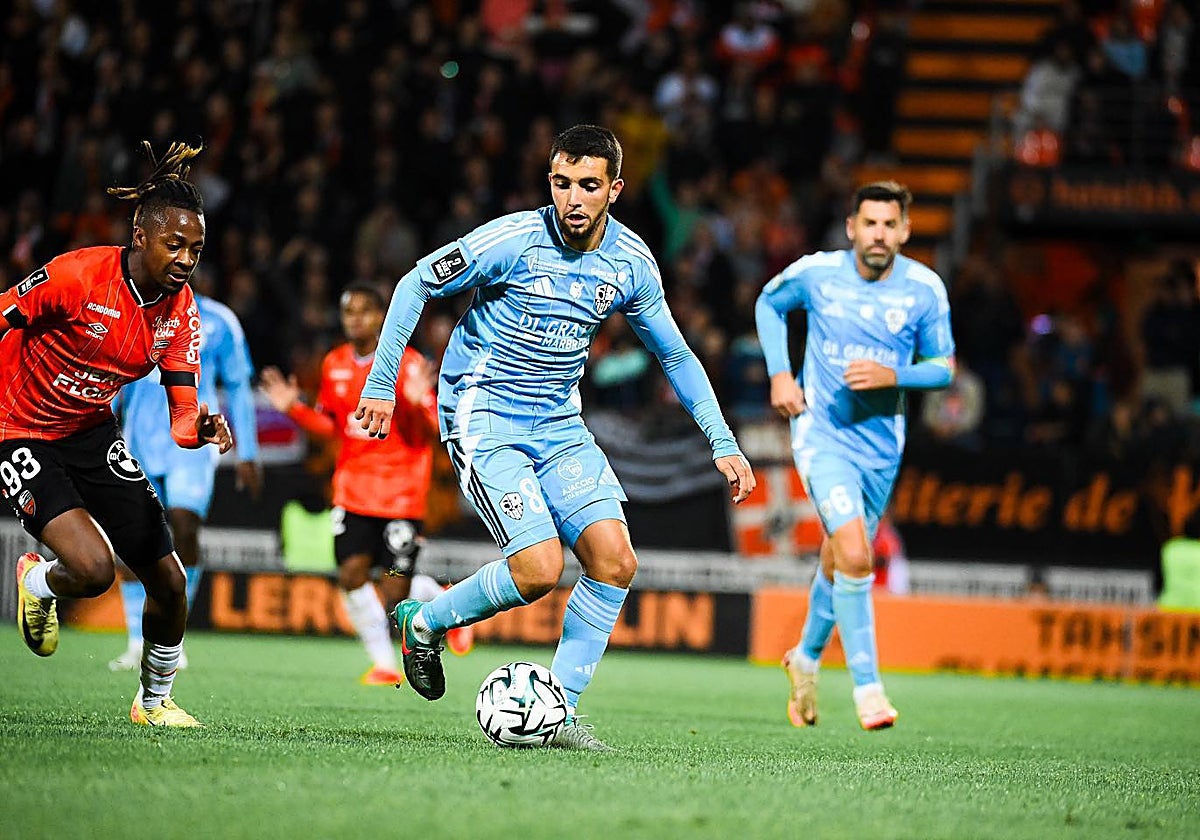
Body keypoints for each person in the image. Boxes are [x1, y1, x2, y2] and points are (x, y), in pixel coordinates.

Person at [356, 124, 755, 751]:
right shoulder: (511, 241)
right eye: (562, 183)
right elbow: (415, 284)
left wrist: (722, 441)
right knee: (539, 569)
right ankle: (424, 621)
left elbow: (675, 355)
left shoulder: (630, 262)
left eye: (588, 186)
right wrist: (381, 385)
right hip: (483, 416)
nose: (573, 198)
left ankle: (558, 712)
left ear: (615, 190)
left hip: (559, 425)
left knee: (615, 560)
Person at [1, 141, 232, 727]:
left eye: (196, 249)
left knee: (170, 579)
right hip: (19, 429)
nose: (185, 259)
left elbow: (181, 419)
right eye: (174, 244)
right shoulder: (77, 277)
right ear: (139, 235)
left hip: (90, 430)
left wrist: (199, 426)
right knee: (94, 571)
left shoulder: (181, 313)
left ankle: (154, 704)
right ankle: (40, 579)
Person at [755, 181, 955, 730]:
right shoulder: (818, 274)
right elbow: (769, 305)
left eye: (891, 225)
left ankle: (806, 657)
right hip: (821, 434)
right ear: (852, 227)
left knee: (839, 556)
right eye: (870, 223)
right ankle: (868, 689)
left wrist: (896, 376)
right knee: (858, 554)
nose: (879, 234)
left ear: (906, 231)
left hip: (882, 446)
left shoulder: (924, 290)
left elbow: (943, 368)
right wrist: (779, 374)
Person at [260, 283, 471, 687]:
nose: (355, 318)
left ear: (382, 317)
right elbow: (333, 427)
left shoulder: (408, 365)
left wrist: (416, 402)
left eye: (364, 311)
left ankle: (448, 603)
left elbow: (435, 431)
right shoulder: (334, 363)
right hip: (353, 492)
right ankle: (383, 664)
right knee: (352, 576)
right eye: (348, 311)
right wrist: (295, 409)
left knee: (395, 594)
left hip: (400, 496)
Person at [108, 272, 263, 672]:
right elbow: (112, 381)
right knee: (134, 536)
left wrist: (248, 450)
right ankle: (133, 640)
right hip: (138, 440)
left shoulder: (219, 321)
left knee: (185, 526)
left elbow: (239, 385)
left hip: (192, 444)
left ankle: (171, 636)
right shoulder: (133, 311)